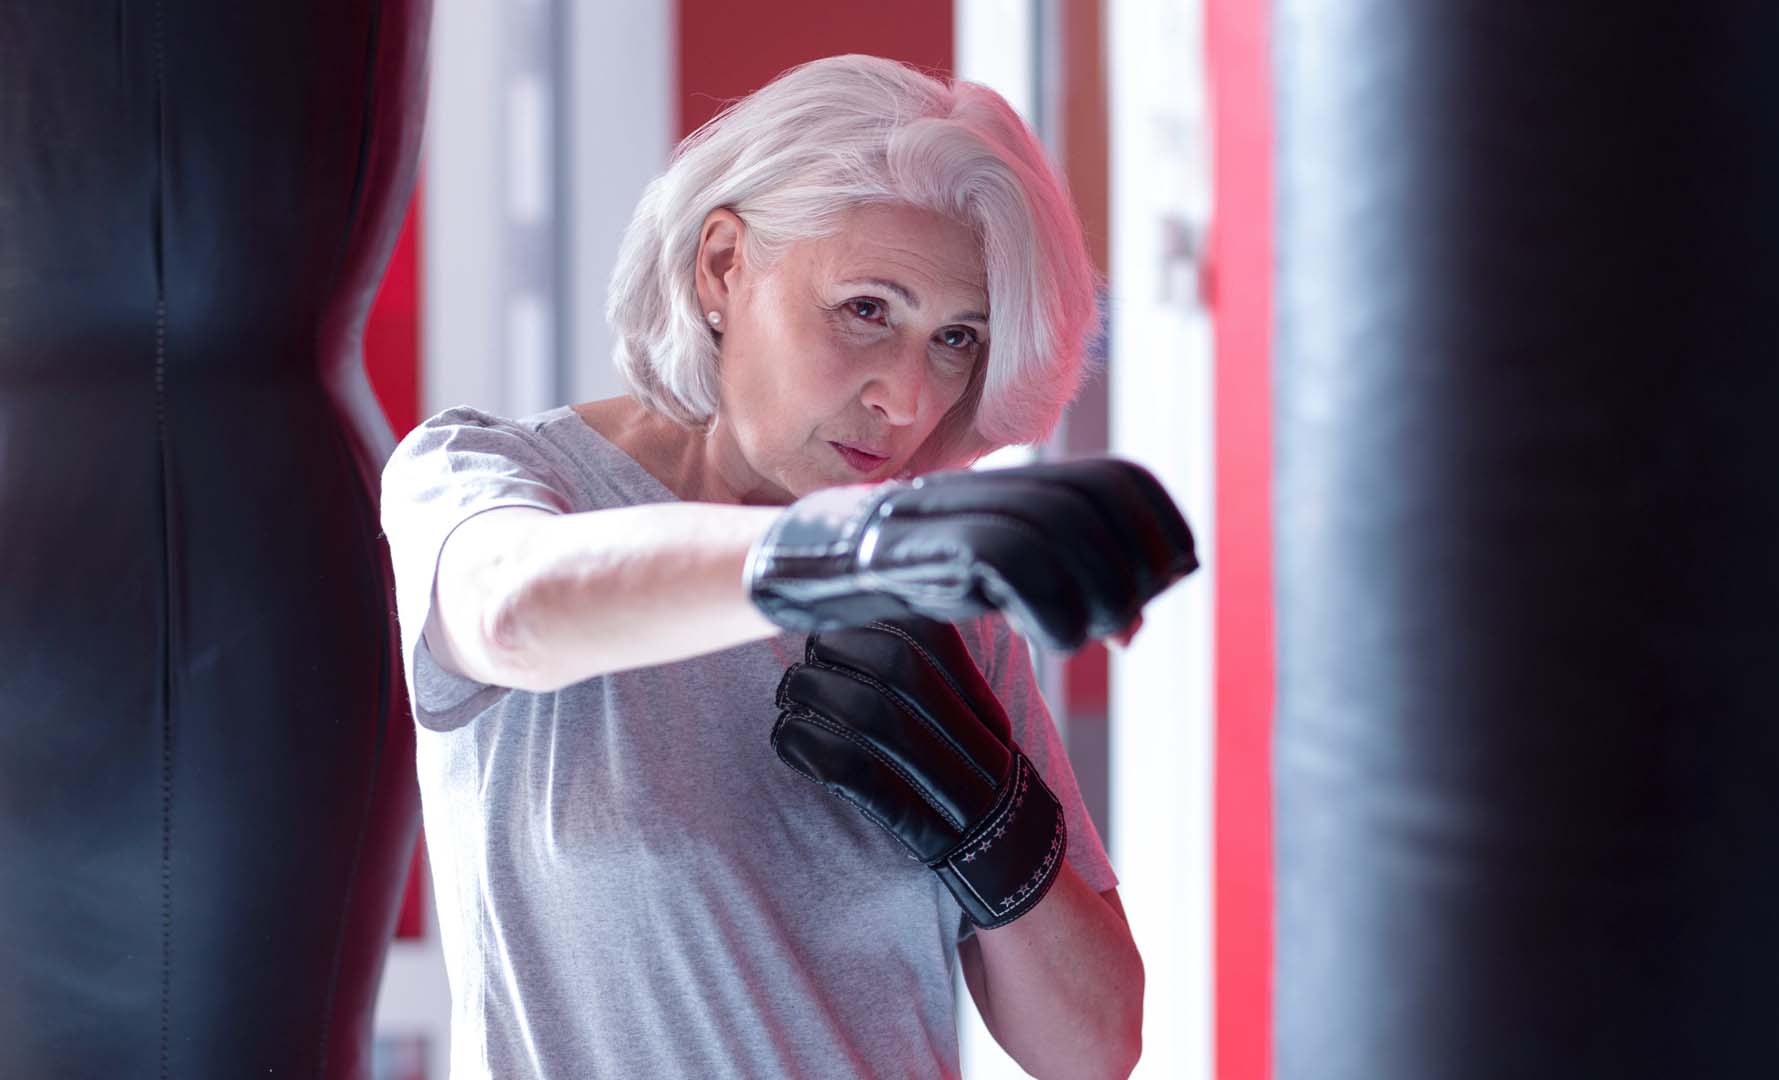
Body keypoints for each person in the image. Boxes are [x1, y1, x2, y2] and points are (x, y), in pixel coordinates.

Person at [381, 53, 1191, 1079]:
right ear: (724, 265)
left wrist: (995, 826)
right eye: (867, 309)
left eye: (953, 339)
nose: (904, 395)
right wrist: (842, 555)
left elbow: (1096, 1048)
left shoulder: (932, 604)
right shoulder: (497, 477)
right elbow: (511, 608)